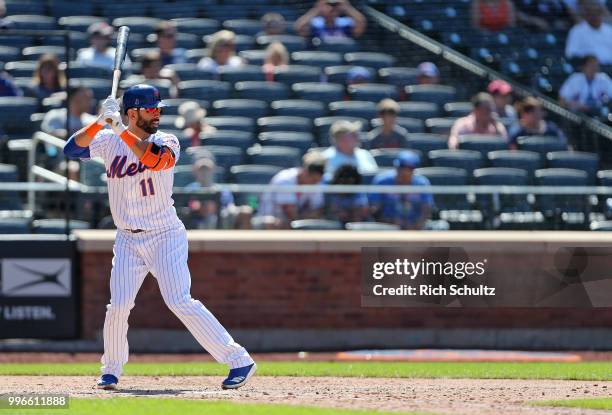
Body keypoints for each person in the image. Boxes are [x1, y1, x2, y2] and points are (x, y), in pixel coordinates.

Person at [62, 84, 256, 391]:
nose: (157, 114)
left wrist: (119, 129)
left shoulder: (166, 140)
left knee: (179, 300)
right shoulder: (108, 140)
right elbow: (70, 150)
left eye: (158, 109)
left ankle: (239, 360)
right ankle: (111, 370)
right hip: (127, 238)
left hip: (164, 234)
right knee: (118, 306)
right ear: (132, 112)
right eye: (150, 109)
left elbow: (156, 161)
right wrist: (100, 122)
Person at [257, 151, 327, 228]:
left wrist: (312, 215)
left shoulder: (315, 183)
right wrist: (309, 216)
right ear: (305, 172)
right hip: (267, 221)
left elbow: (317, 210)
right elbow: (292, 215)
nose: (315, 183)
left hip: (290, 223)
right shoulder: (285, 180)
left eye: (317, 181)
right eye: (313, 180)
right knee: (277, 223)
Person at [369, 151, 433, 230]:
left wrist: (417, 225)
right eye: (400, 167)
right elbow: (374, 210)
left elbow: (426, 209)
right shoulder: (382, 181)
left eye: (408, 168)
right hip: (387, 227)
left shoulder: (422, 183)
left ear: (413, 170)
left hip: (415, 227)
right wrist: (390, 222)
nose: (402, 171)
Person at [184, 157, 234, 229]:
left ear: (213, 171)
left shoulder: (222, 190)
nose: (205, 173)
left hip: (220, 219)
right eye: (201, 170)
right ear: (195, 172)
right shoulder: (190, 189)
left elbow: (230, 206)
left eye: (207, 170)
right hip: (197, 221)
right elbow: (189, 207)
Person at [565, 0, 612, 65]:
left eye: (597, 13)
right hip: (588, 70)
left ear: (601, 14)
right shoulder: (576, 31)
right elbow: (571, 54)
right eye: (591, 14)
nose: (594, 16)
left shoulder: (609, 30)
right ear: (586, 15)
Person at [295, 0, 367, 40]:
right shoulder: (315, 23)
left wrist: (347, 7)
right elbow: (299, 28)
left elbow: (361, 24)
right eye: (328, 5)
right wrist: (317, 8)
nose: (332, 8)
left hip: (343, 59)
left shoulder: (345, 22)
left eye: (335, 5)